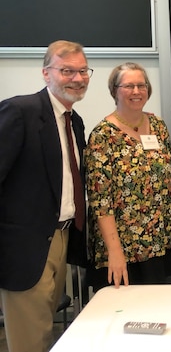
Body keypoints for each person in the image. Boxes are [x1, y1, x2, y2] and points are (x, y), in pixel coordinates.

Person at [0, 40, 90, 352]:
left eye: (82, 71)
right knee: (30, 340)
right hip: (25, 247)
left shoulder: (74, 121)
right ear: (45, 73)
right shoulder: (19, 111)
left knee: (45, 333)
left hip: (62, 238)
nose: (77, 78)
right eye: (67, 71)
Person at [85, 62, 171, 291]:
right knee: (122, 317)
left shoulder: (158, 126)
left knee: (157, 312)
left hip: (157, 242)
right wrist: (115, 253)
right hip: (121, 247)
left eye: (141, 85)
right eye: (129, 86)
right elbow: (100, 200)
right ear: (114, 90)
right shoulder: (103, 134)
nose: (136, 91)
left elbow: (168, 181)